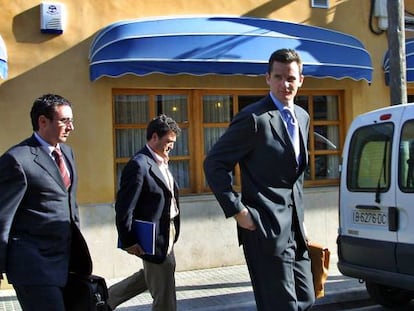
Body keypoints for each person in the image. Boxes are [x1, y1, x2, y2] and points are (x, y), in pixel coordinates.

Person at [203, 49, 315, 311]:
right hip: (263, 228)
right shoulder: (254, 118)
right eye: (278, 77)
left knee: (307, 299)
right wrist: (238, 210)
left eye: (290, 78)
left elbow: (294, 178)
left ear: (301, 80)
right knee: (281, 306)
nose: (284, 84)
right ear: (267, 78)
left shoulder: (302, 117)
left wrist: (301, 222)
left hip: (295, 231)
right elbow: (214, 164)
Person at [0, 94, 92, 310]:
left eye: (71, 120)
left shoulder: (67, 153)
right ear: (43, 121)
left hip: (66, 262)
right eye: (64, 121)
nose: (71, 127)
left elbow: (70, 205)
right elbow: (3, 216)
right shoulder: (17, 160)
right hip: (33, 265)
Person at [108, 114, 181, 311]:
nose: (171, 146)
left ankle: (103, 300)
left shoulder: (162, 161)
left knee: (156, 274)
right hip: (152, 235)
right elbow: (124, 207)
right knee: (164, 290)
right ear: (154, 137)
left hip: (168, 230)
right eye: (168, 141)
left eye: (173, 142)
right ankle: (103, 300)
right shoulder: (139, 164)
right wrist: (128, 240)